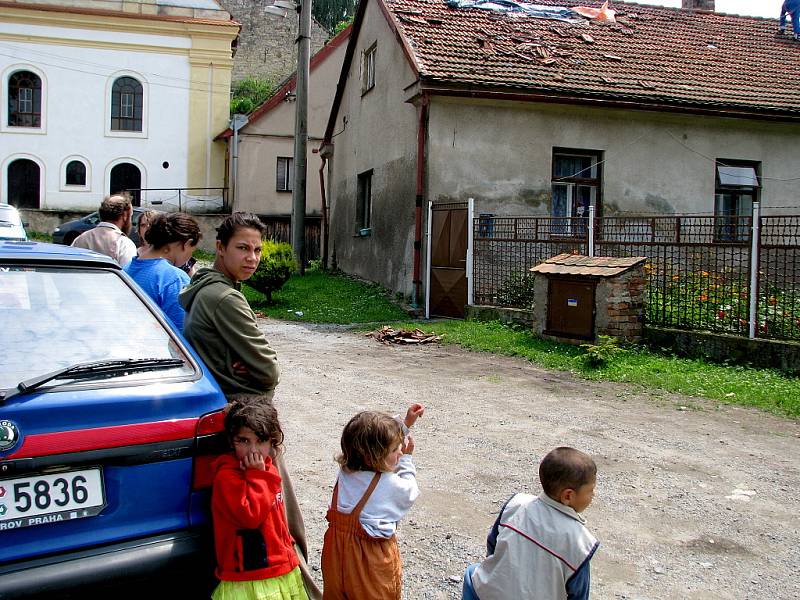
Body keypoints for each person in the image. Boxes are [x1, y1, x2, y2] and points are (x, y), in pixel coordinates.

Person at [180, 212, 321, 599]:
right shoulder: (225, 297)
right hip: (249, 425)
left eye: (258, 249)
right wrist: (250, 369)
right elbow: (268, 369)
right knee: (278, 520)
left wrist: (241, 362)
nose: (253, 257)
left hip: (230, 415)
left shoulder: (209, 288)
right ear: (220, 248)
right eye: (242, 248)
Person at [461, 447, 599, 600]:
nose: (594, 494)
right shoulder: (581, 543)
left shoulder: (516, 504)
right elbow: (578, 594)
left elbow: (493, 547)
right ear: (568, 495)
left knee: (472, 573)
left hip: (490, 594)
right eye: (590, 490)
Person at [321, 404, 425, 600]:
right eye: (395, 450)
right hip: (369, 561)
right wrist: (407, 462)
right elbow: (410, 492)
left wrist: (404, 424)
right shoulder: (387, 483)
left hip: (335, 554)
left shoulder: (346, 471)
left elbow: (371, 436)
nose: (400, 452)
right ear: (373, 457)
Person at [211, 397, 308, 600]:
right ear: (231, 441)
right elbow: (250, 516)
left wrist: (288, 549)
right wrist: (257, 476)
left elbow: (278, 517)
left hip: (279, 566)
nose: (253, 451)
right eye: (244, 441)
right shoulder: (227, 477)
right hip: (250, 575)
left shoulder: (268, 467)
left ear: (272, 442)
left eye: (261, 441)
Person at [125, 212, 200, 330]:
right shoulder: (175, 279)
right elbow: (181, 332)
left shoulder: (125, 269)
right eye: (192, 251)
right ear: (186, 244)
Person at [71, 193, 137, 267]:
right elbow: (127, 275)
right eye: (130, 215)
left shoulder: (80, 239)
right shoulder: (124, 244)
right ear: (125, 215)